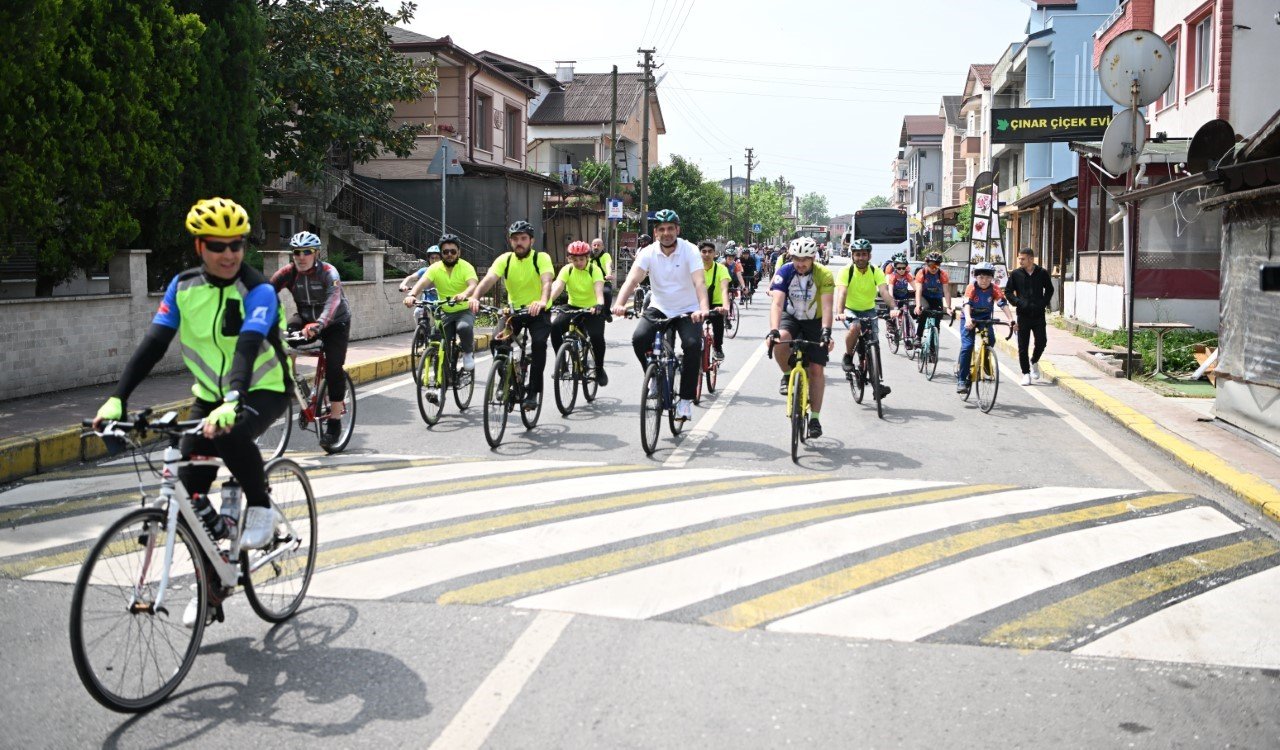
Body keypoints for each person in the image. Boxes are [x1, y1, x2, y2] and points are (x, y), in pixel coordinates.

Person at [93, 198, 291, 625]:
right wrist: (118, 398)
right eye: (218, 245)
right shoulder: (183, 287)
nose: (229, 254)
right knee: (188, 496)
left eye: (236, 244)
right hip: (209, 395)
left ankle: (260, 506)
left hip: (264, 388)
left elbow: (247, 347)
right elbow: (154, 343)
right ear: (200, 246)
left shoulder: (258, 290)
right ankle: (213, 585)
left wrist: (234, 399)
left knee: (231, 433)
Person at [611, 209, 710, 421]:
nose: (666, 233)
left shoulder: (690, 250)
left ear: (678, 230)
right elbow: (632, 280)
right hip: (659, 306)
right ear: (655, 232)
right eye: (662, 229)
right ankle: (653, 375)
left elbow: (699, 282)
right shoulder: (648, 252)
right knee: (639, 339)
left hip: (687, 308)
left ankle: (685, 401)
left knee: (692, 345)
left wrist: (702, 308)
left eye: (670, 228)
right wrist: (619, 304)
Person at [271, 230, 351, 444]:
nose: (301, 256)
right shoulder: (288, 273)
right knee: (283, 340)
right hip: (305, 318)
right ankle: (295, 383)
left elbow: (333, 301)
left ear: (316, 253)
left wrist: (319, 324)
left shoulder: (328, 272)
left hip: (335, 322)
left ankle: (335, 421)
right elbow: (266, 293)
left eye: (307, 252)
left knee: (334, 368)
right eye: (297, 252)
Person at [468, 220, 554, 411]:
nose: (519, 242)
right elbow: (489, 279)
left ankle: (533, 392)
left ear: (531, 241)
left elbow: (547, 282)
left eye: (523, 238)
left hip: (538, 312)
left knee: (539, 345)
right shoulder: (505, 259)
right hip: (514, 312)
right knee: (497, 342)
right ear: (510, 241)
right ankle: (505, 380)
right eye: (515, 239)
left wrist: (542, 301)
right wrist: (475, 297)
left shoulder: (541, 258)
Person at [766, 237, 834, 437]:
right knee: (780, 340)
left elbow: (827, 306)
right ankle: (788, 375)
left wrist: (826, 332)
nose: (800, 263)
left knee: (816, 369)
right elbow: (777, 303)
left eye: (805, 259)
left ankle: (815, 418)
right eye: (797, 258)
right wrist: (773, 330)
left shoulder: (824, 274)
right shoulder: (785, 271)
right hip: (792, 316)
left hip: (815, 320)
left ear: (813, 258)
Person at [401, 234, 479, 377]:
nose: (449, 254)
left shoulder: (466, 267)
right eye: (445, 251)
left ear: (459, 252)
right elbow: (422, 282)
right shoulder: (435, 268)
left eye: (453, 251)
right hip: (445, 311)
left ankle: (468, 353)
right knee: (437, 341)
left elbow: (473, 285)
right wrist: (412, 295)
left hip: (464, 310)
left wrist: (464, 294)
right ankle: (441, 379)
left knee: (464, 327)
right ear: (441, 253)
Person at [833, 238, 897, 397]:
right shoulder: (846, 271)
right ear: (852, 256)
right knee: (855, 327)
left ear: (869, 256)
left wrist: (893, 308)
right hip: (850, 310)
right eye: (857, 254)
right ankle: (848, 357)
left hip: (869, 311)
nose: (860, 257)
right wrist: (840, 312)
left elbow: (884, 292)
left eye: (863, 254)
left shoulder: (876, 271)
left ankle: (877, 386)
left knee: (874, 344)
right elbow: (842, 293)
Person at [550, 240, 608, 385]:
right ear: (569, 259)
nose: (578, 263)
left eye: (581, 259)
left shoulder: (594, 270)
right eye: (574, 259)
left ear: (587, 257)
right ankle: (562, 365)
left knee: (596, 336)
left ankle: (599, 369)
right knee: (555, 327)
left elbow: (599, 290)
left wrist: (599, 304)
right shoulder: (567, 270)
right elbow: (558, 287)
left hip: (592, 309)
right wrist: (547, 302)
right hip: (572, 307)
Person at [956, 263, 1017, 393]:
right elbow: (967, 304)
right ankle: (961, 380)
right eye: (981, 277)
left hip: (985, 318)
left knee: (991, 340)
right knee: (968, 346)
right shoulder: (971, 287)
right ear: (976, 277)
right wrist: (968, 318)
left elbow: (1002, 303)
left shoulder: (994, 288)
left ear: (992, 278)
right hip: (969, 318)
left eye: (988, 278)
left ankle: (985, 360)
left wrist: (1011, 319)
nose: (984, 281)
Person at [1004, 247, 1055, 385]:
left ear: (1031, 259)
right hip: (1023, 315)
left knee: (1042, 342)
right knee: (1023, 346)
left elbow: (1050, 290)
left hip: (1038, 315)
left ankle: (1034, 361)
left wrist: (1043, 303)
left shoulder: (1042, 273)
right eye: (1019, 259)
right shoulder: (1016, 274)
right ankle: (1026, 373)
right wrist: (1018, 302)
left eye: (1023, 259)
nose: (1020, 261)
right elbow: (1008, 292)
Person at [699, 240, 732, 361]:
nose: (707, 254)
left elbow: (724, 289)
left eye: (710, 251)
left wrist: (725, 307)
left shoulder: (721, 269)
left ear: (715, 253)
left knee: (718, 323)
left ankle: (718, 347)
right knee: (691, 331)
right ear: (699, 253)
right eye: (704, 252)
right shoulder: (695, 269)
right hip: (698, 304)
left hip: (716, 304)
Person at [914, 250, 953, 342]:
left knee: (938, 317)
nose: (934, 268)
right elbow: (918, 290)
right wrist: (918, 305)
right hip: (924, 297)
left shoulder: (942, 274)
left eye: (937, 265)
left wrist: (949, 307)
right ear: (926, 264)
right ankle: (918, 337)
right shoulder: (921, 273)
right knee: (925, 311)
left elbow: (946, 292)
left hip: (937, 298)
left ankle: (934, 343)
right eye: (931, 265)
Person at [885, 252, 917, 348]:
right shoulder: (893, 276)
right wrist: (892, 304)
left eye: (903, 268)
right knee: (891, 311)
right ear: (895, 268)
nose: (902, 270)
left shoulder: (908, 275)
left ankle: (907, 339)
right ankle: (891, 328)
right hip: (894, 296)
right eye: (899, 268)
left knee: (906, 316)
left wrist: (919, 297)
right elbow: (890, 291)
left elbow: (915, 287)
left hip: (904, 296)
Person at [589, 237, 615, 313]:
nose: (596, 247)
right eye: (594, 245)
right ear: (591, 246)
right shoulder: (588, 258)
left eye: (598, 245)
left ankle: (607, 312)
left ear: (602, 247)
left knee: (606, 292)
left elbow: (608, 265)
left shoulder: (606, 255)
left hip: (604, 281)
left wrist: (608, 274)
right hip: (591, 282)